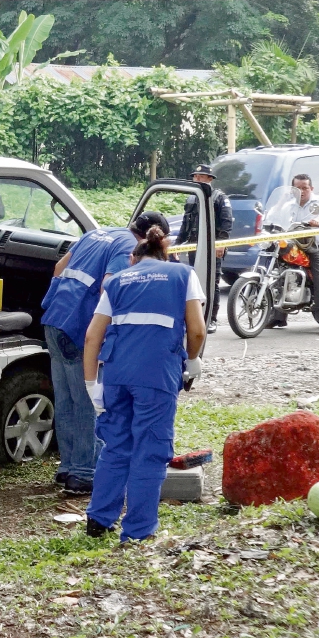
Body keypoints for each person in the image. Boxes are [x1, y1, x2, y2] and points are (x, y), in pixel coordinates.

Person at [81, 225, 207, 541]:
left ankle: (98, 521)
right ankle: (138, 531)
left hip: (117, 376)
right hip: (156, 375)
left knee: (117, 445)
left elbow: (92, 336)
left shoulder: (118, 281)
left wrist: (90, 384)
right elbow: (198, 331)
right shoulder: (183, 275)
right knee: (150, 450)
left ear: (132, 258)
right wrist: (192, 361)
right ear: (164, 253)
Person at [40, 211, 171, 495]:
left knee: (66, 400)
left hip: (54, 319)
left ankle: (68, 468)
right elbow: (107, 288)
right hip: (79, 326)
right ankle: (84, 474)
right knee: (88, 402)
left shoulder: (97, 233)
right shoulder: (127, 247)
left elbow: (58, 268)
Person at [267, 174, 319, 336]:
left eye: (305, 187)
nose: (302, 191)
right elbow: (272, 216)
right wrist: (280, 202)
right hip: (295, 246)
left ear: (311, 188)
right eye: (297, 188)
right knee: (280, 274)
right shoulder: (289, 206)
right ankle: (278, 316)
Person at [173, 164, 233, 334]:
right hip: (194, 246)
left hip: (212, 247)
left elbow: (226, 223)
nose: (197, 179)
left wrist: (221, 243)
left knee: (212, 282)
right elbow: (186, 224)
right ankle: (195, 318)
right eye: (195, 176)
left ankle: (211, 319)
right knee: (195, 282)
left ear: (209, 179)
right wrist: (177, 244)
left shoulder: (220, 198)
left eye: (201, 176)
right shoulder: (192, 198)